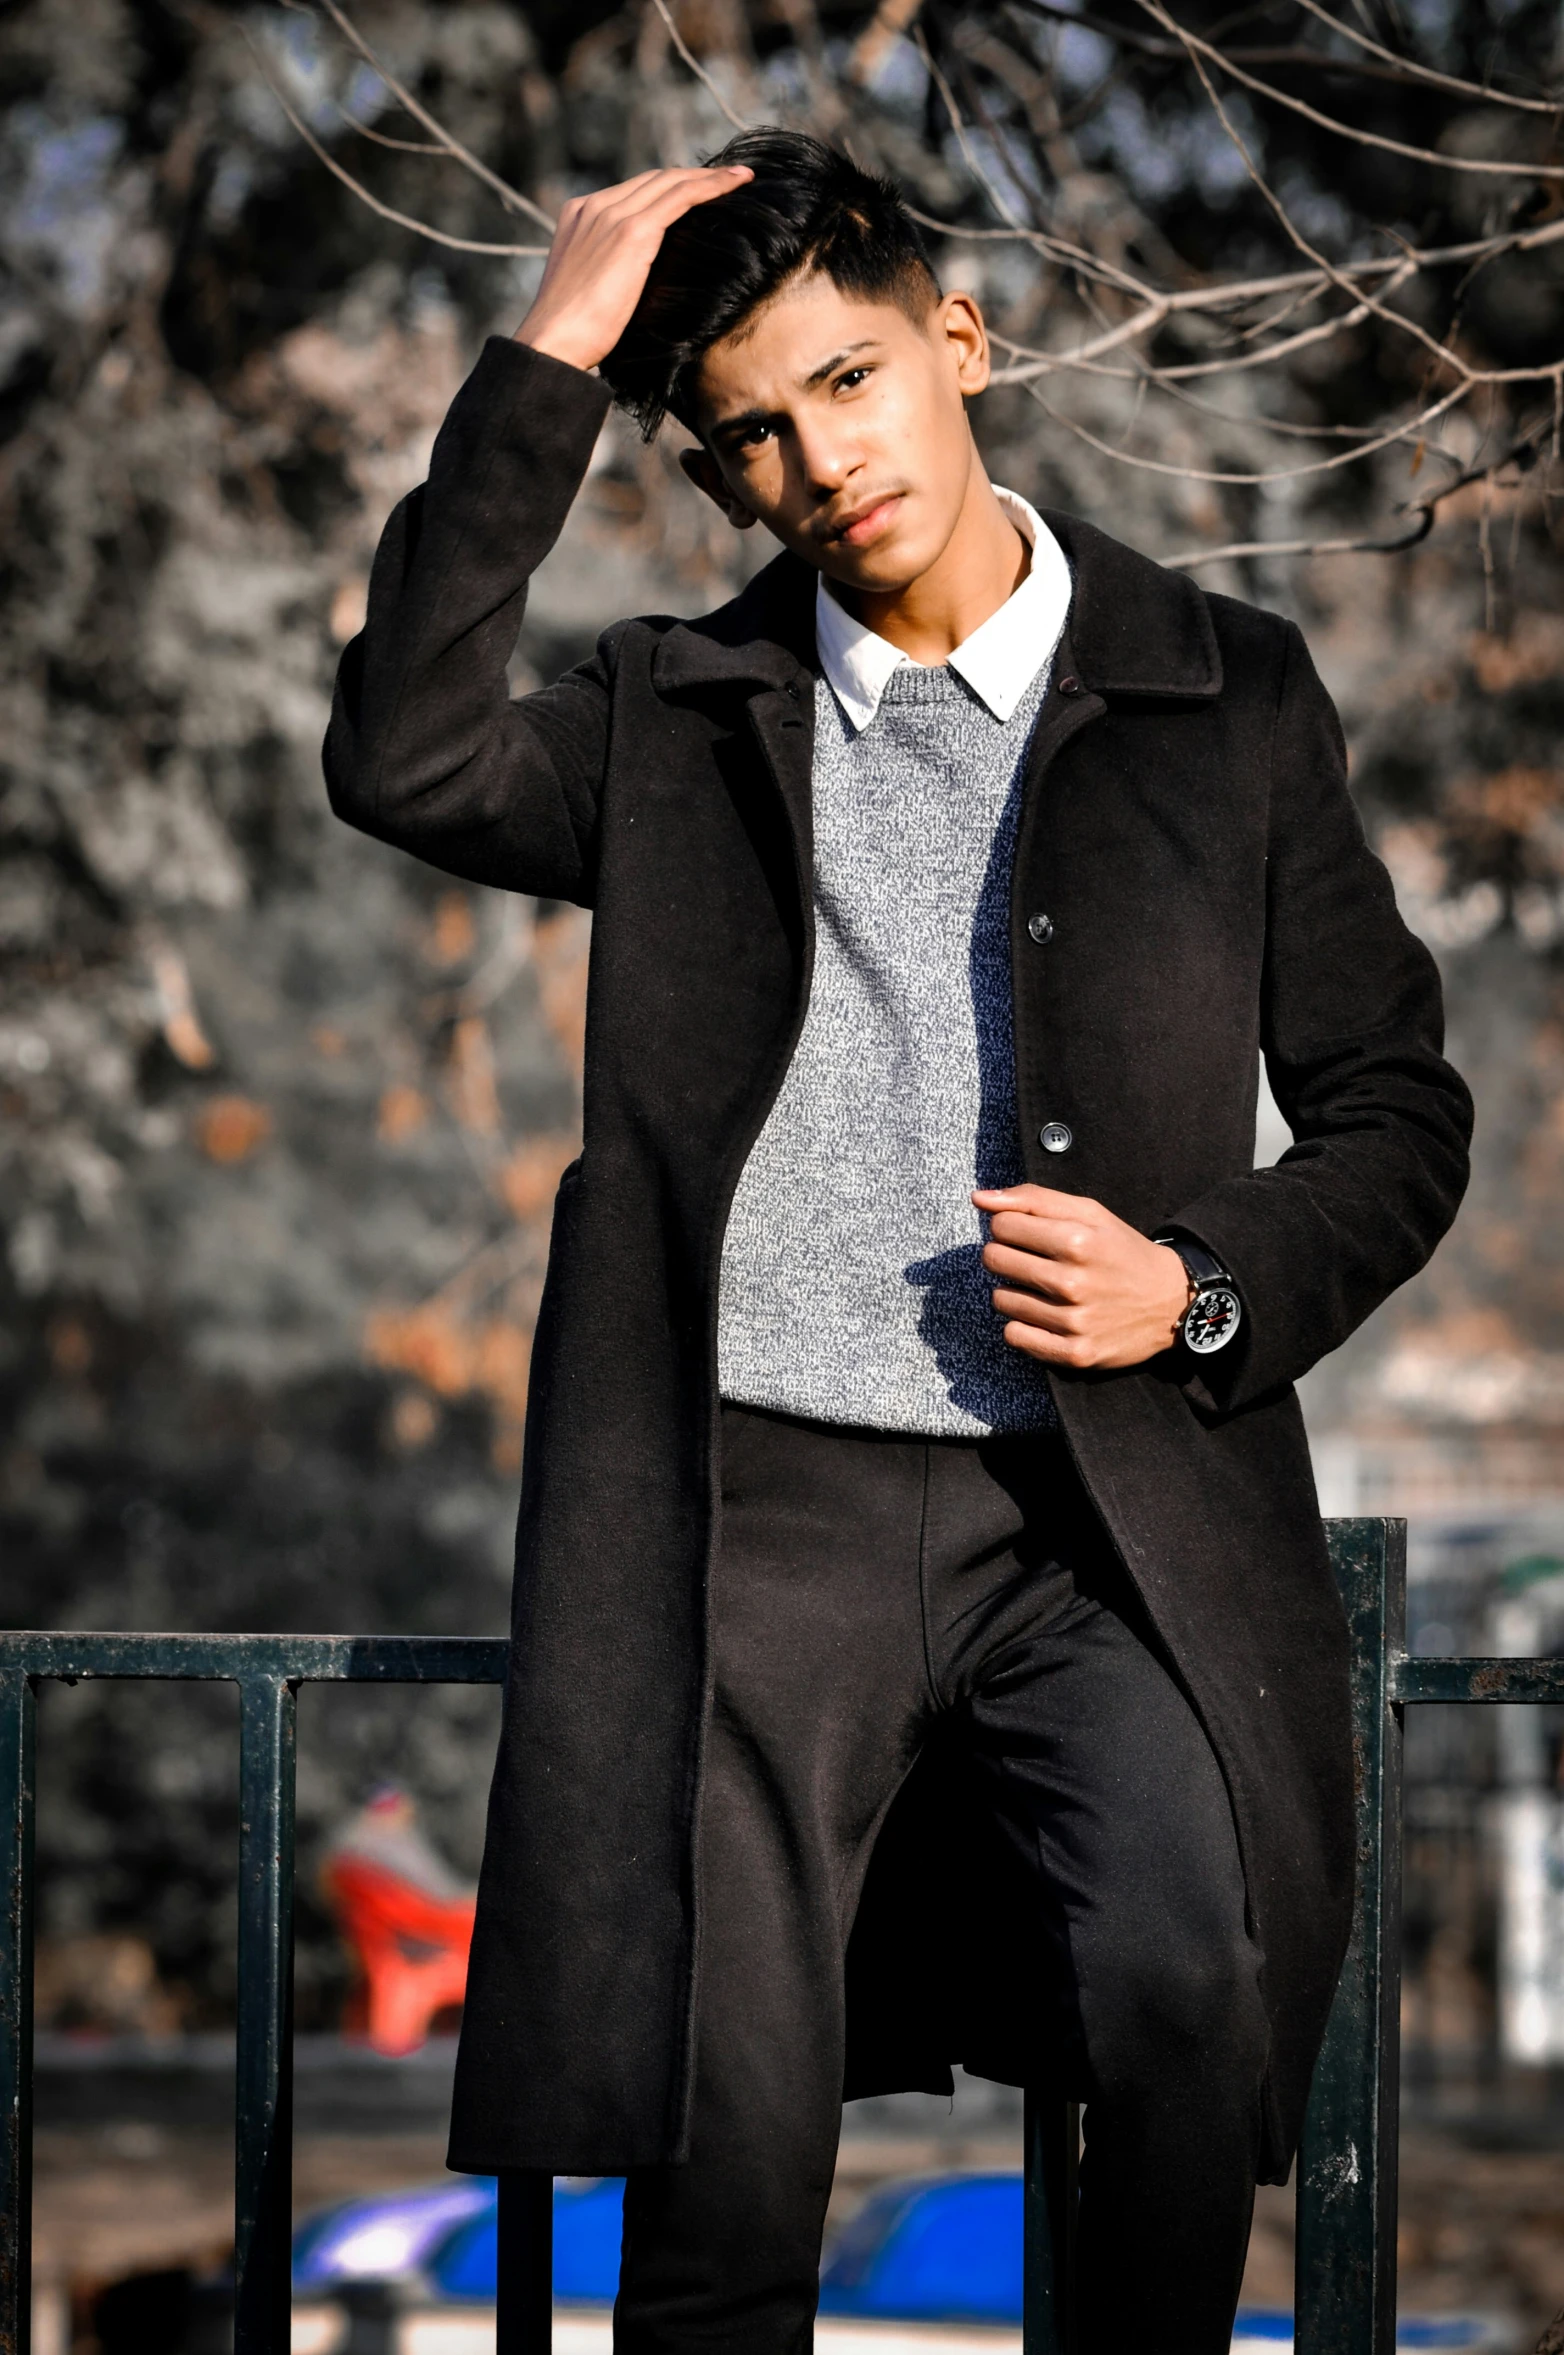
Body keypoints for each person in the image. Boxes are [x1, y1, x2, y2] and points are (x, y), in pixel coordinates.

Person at [324, 129, 1471, 2354]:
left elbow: (1391, 1111)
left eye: (846, 380)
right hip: (754, 1514)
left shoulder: (1222, 693)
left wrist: (1198, 1281)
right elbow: (405, 750)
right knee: (720, 2147)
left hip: (1105, 1511)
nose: (814, 459)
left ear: (958, 339)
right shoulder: (677, 716)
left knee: (1182, 1974)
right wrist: (547, 354)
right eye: (748, 429)